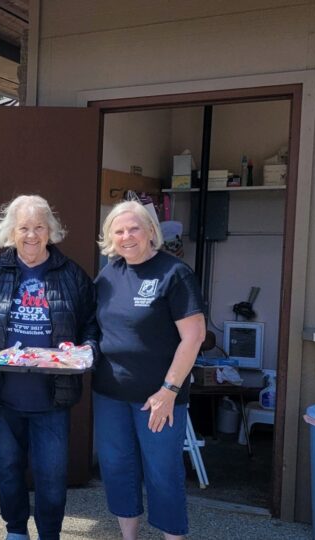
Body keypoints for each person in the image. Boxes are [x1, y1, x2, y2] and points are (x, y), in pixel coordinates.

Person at [0, 195, 98, 540]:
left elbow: (91, 326)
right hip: (1, 397)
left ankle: (50, 533)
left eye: (39, 227)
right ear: (11, 231)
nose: (32, 235)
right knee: (8, 470)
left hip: (52, 400)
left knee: (52, 475)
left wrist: (87, 349)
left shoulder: (72, 275)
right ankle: (16, 531)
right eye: (24, 227)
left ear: (50, 231)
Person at [93, 200, 206, 540]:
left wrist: (169, 391)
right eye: (119, 230)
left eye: (134, 228)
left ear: (150, 232)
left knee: (163, 472)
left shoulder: (174, 273)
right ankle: (129, 536)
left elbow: (194, 336)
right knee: (117, 469)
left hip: (158, 398)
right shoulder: (109, 273)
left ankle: (172, 536)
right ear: (110, 237)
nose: (126, 236)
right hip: (110, 393)